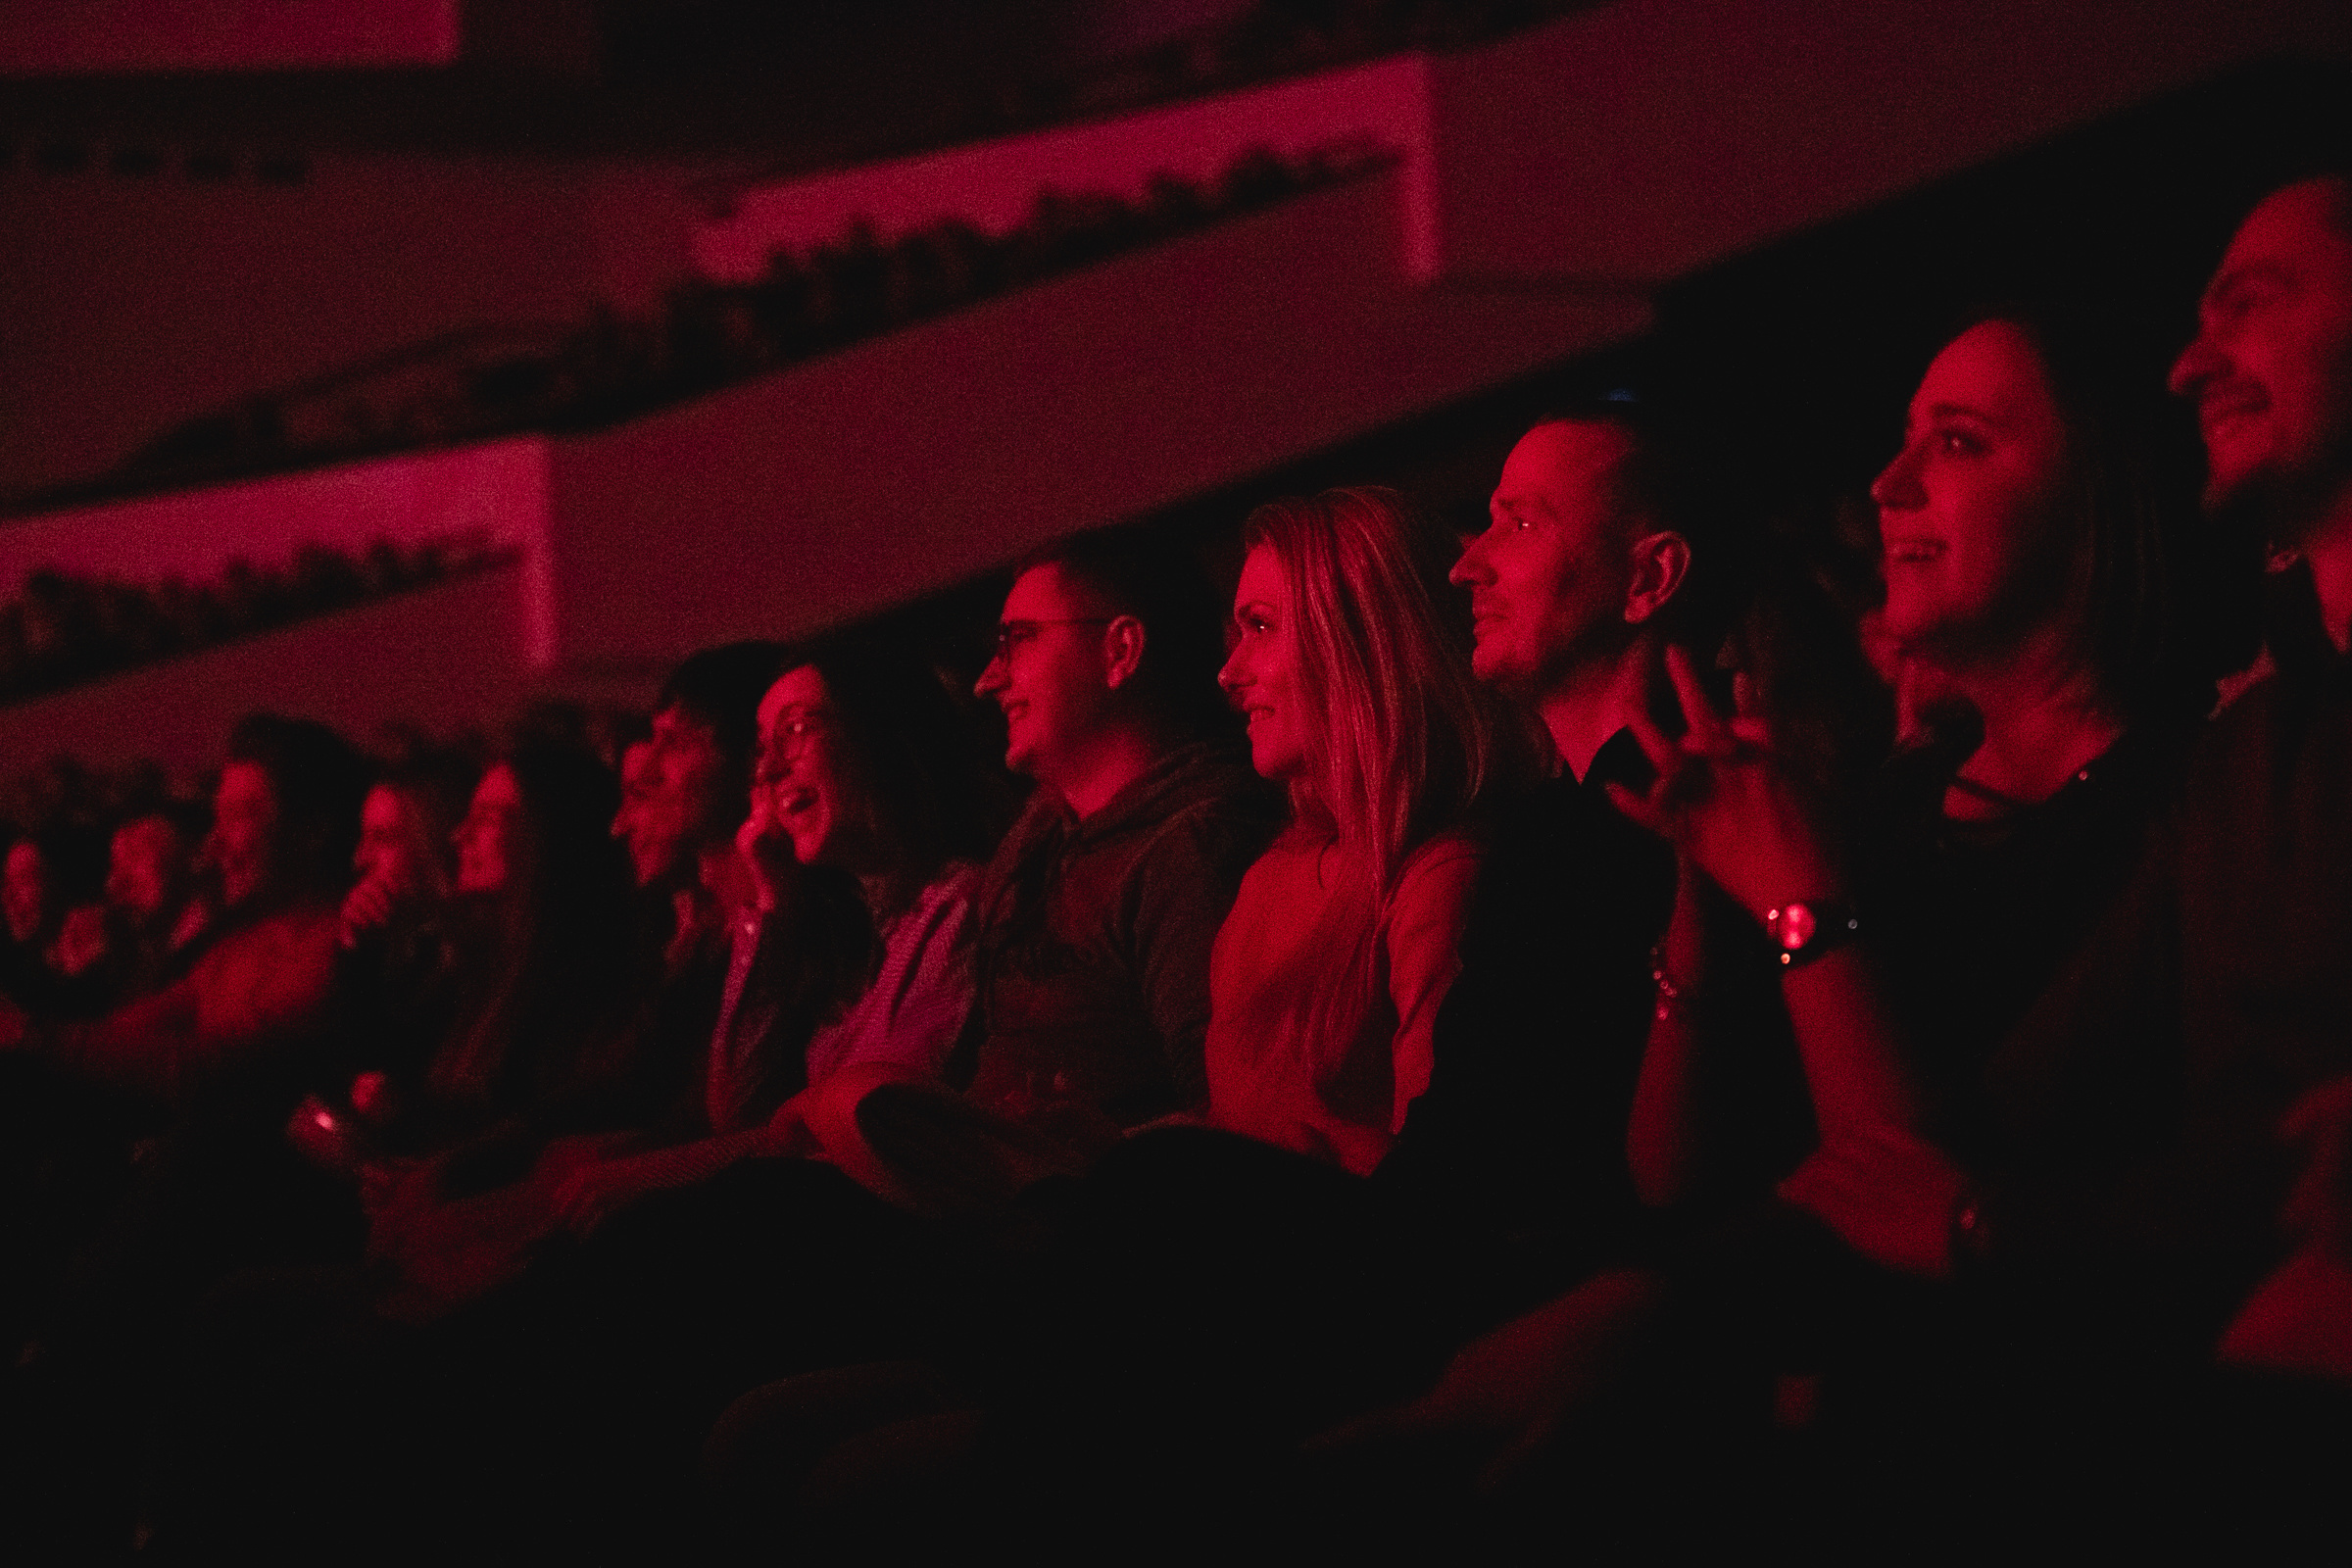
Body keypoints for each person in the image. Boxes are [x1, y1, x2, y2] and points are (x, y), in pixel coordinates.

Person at [820, 528, 1280, 1214]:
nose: (988, 679)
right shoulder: (1034, 842)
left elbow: (1229, 1125)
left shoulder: (1193, 846)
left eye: (1018, 640)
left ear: (1120, 651)